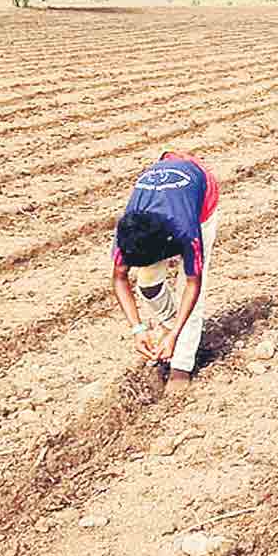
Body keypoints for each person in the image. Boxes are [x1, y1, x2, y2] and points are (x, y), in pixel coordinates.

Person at [111, 152, 219, 395]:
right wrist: (137, 329)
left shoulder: (187, 230)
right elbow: (119, 278)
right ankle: (176, 329)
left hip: (202, 199)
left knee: (187, 295)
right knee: (147, 286)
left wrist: (176, 335)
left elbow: (193, 285)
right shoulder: (128, 231)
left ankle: (182, 365)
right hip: (162, 195)